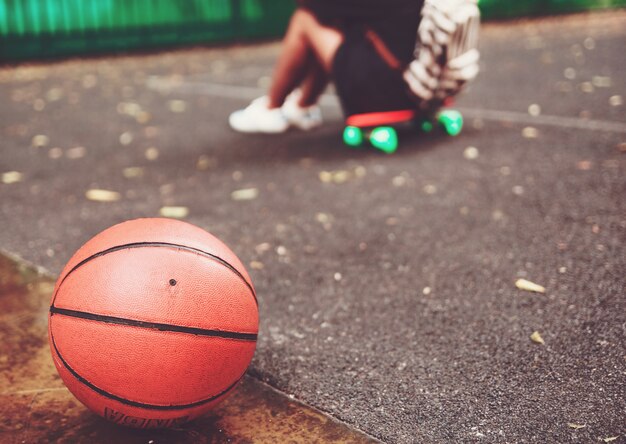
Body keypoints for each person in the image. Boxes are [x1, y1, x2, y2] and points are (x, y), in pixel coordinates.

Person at [229, 0, 480, 134]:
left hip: (387, 91)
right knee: (335, 26)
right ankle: (302, 107)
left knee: (305, 19)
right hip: (430, 86)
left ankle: (272, 108)